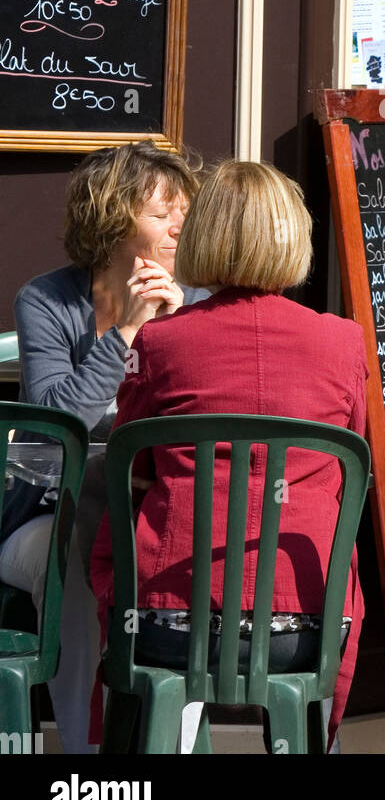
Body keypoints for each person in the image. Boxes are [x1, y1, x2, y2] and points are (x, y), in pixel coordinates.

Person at [90, 160, 368, 752]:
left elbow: (133, 464)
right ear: (294, 236)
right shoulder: (343, 342)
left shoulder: (160, 342)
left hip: (169, 622)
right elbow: (355, 474)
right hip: (307, 625)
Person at [0, 140, 204, 753]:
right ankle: (90, 762)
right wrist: (127, 333)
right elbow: (57, 421)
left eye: (184, 213)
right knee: (84, 564)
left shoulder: (194, 304)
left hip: (154, 515)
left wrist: (172, 332)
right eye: (161, 213)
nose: (178, 226)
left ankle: (162, 746)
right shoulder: (48, 300)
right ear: (114, 220)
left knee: (184, 576)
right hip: (47, 514)